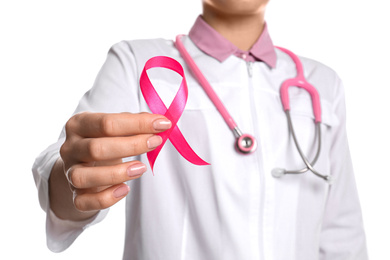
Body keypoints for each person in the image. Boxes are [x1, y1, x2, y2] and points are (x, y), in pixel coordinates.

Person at [32, 0, 368, 259]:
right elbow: (68, 172)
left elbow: (342, 235)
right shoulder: (140, 64)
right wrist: (74, 178)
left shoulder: (323, 84)